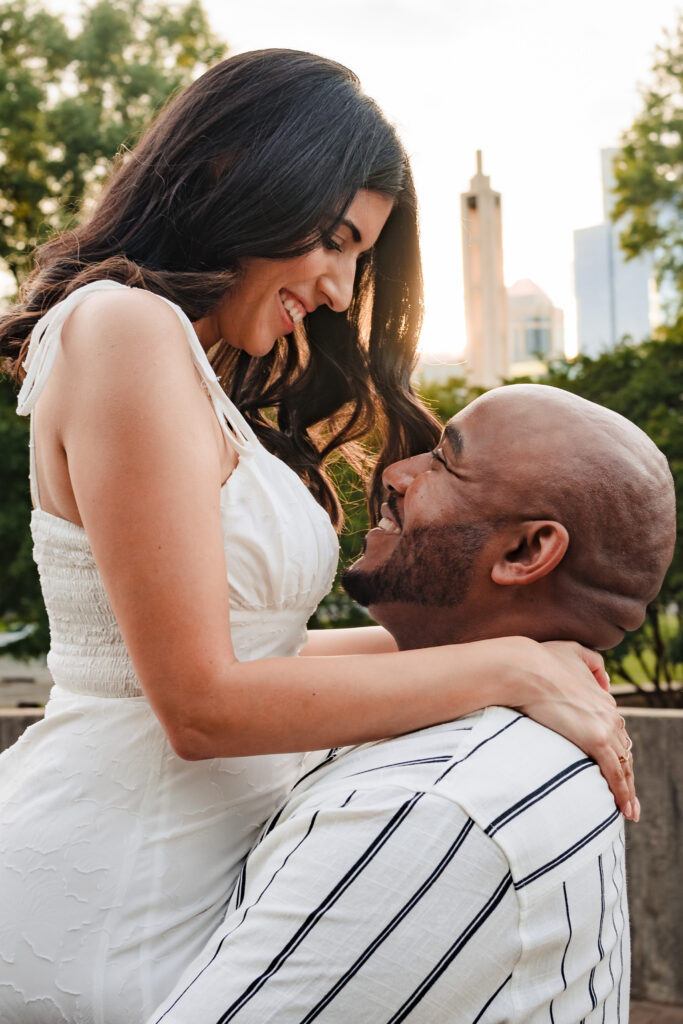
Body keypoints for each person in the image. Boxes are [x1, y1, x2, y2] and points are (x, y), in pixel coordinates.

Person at [0, 50, 632, 1022]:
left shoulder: (193, 368)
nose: (340, 288)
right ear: (240, 174)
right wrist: (505, 667)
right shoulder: (125, 329)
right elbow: (201, 704)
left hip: (201, 896)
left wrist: (516, 645)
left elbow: (263, 650)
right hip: (108, 894)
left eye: (358, 257)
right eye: (333, 240)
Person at [149, 385, 676, 1024]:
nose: (396, 473)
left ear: (525, 551)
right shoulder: (510, 727)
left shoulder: (429, 807)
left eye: (443, 463)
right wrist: (513, 659)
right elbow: (230, 671)